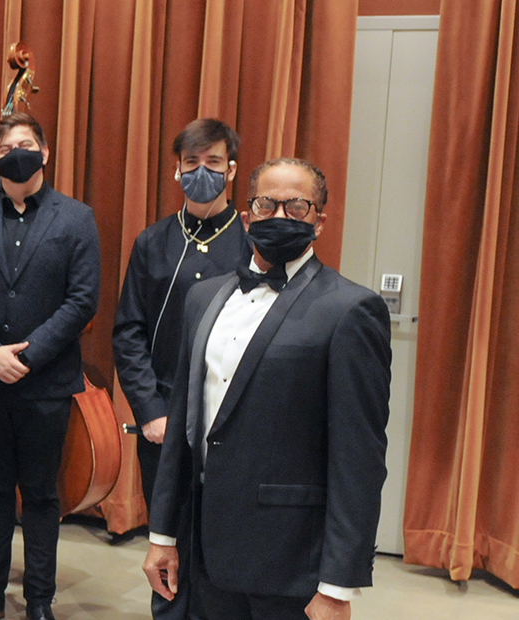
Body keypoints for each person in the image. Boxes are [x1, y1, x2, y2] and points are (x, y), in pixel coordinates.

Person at [143, 159, 390, 620]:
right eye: (266, 204)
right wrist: (162, 535)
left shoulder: (351, 309)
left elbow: (359, 458)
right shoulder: (203, 298)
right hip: (203, 548)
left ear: (320, 221)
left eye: (296, 207)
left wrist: (338, 585)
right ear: (246, 216)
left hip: (291, 562)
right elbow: (183, 427)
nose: (279, 216)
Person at [0, 112, 101, 620]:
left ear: (45, 152)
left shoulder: (76, 217)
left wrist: (27, 356)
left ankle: (38, 599)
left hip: (46, 383)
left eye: (27, 144)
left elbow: (82, 299)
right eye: (7, 148)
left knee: (39, 495)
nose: (18, 154)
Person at [112, 118, 247, 618]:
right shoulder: (152, 241)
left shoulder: (251, 242)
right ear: (176, 170)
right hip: (163, 420)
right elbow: (128, 331)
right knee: (165, 543)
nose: (201, 172)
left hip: (228, 420)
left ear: (231, 170)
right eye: (192, 163)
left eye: (213, 162)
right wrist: (149, 410)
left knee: (221, 545)